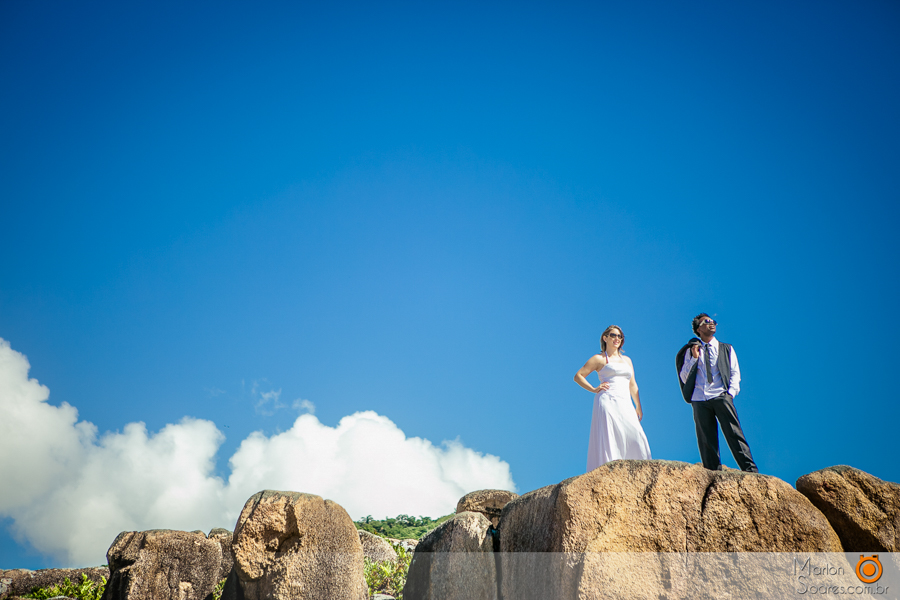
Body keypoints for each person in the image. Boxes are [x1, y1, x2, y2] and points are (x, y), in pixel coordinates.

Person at [676, 314, 758, 472]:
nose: (711, 324)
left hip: (721, 396)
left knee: (734, 434)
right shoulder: (692, 351)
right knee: (706, 440)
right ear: (699, 329)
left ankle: (750, 471)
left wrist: (730, 394)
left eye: (713, 321)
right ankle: (713, 474)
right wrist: (694, 357)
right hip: (700, 399)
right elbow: (685, 377)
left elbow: (735, 373)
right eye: (706, 322)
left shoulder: (726, 348)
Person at [574, 325, 651, 471]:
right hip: (607, 401)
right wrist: (594, 389)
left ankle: (639, 472)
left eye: (620, 336)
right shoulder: (599, 359)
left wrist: (638, 406)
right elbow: (578, 376)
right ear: (605, 338)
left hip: (625, 402)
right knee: (610, 437)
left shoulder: (627, 360)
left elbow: (633, 385)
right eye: (613, 335)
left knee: (637, 435)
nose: (617, 339)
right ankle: (610, 472)